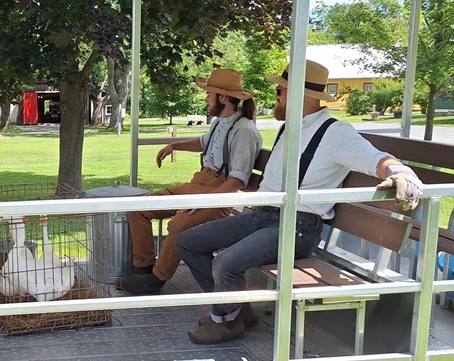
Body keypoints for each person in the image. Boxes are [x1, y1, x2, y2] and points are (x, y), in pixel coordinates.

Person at [174, 60, 424, 344]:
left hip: (297, 226)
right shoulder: (290, 127)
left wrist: (400, 173)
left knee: (226, 263)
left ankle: (227, 322)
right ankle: (236, 311)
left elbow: (375, 158)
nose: (275, 97)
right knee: (188, 241)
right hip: (262, 218)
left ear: (299, 94)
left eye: (280, 91)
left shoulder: (335, 133)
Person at [118, 68, 262, 295]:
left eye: (209, 95)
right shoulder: (220, 121)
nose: (206, 99)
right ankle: (143, 268)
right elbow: (204, 142)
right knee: (138, 208)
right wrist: (175, 145)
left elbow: (237, 181)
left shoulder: (243, 130)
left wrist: (203, 200)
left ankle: (157, 278)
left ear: (223, 98)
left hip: (219, 193)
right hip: (199, 184)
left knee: (178, 224)